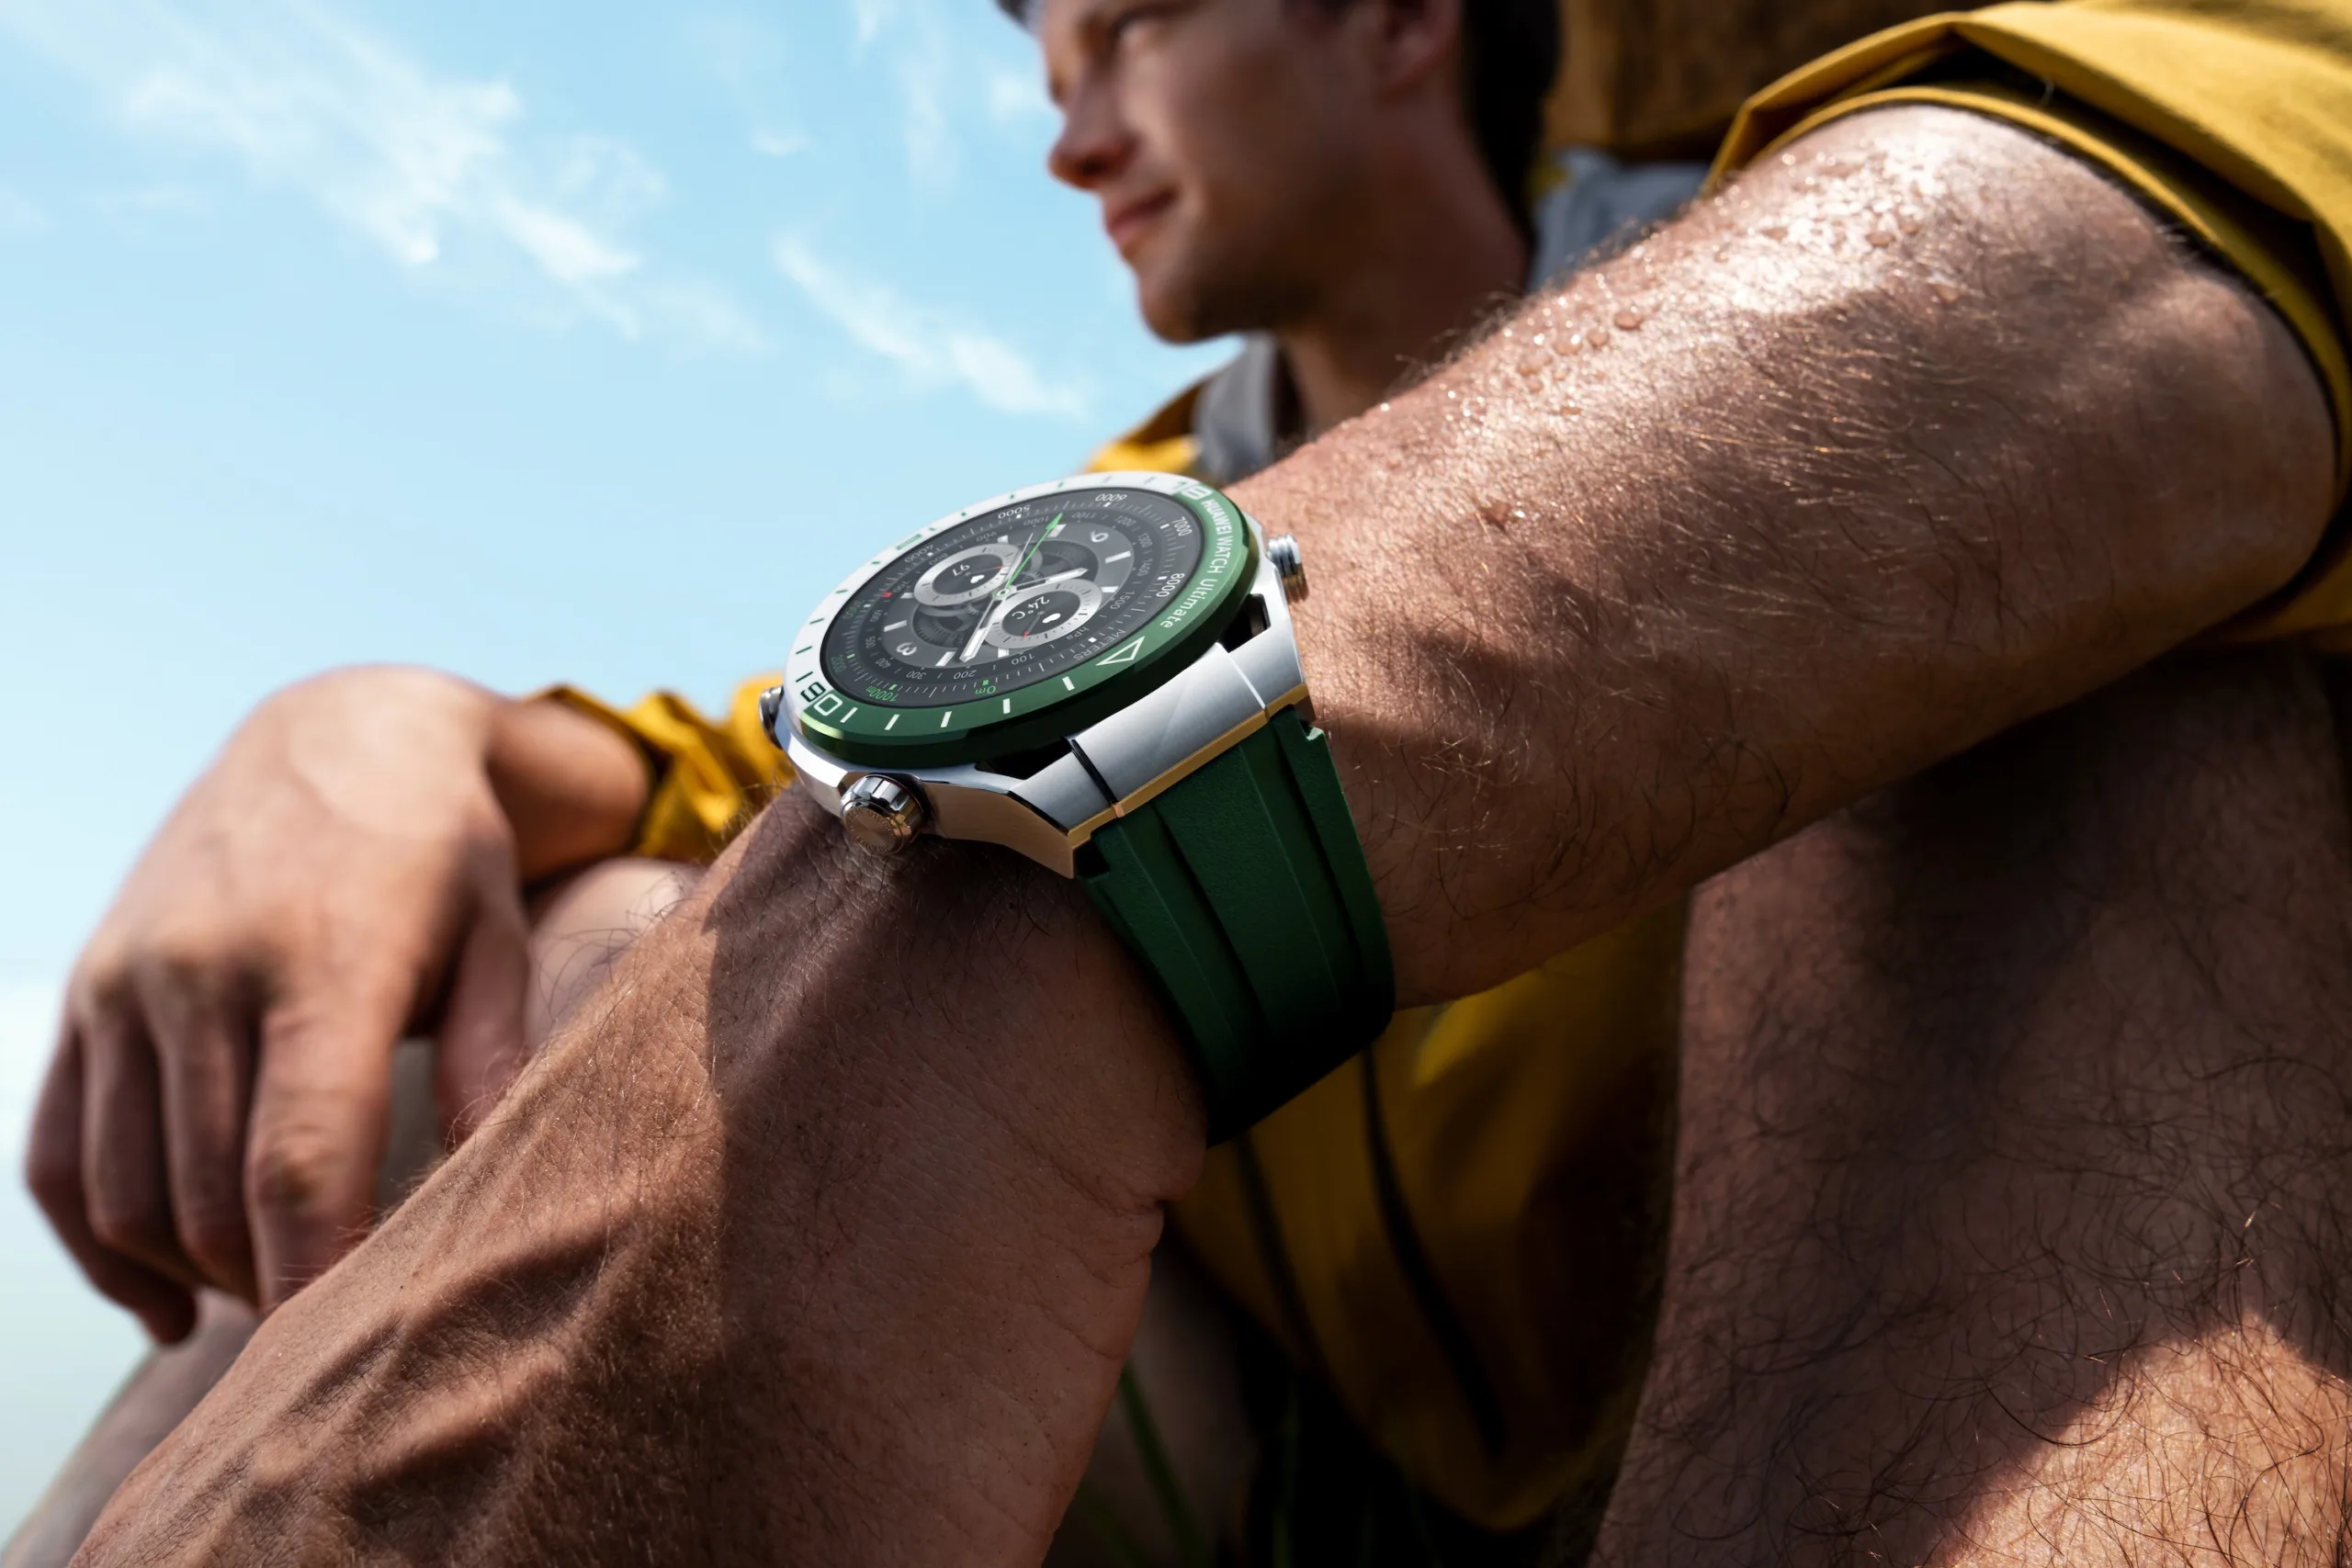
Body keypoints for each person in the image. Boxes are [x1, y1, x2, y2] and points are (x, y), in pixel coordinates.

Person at [31, 0, 2352, 1562]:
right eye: (1042, 55)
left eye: (1128, 22)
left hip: (1888, 1341)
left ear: (1395, 18)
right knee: (568, 954)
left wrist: (1044, 937)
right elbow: (731, 764)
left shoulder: (1864, 167)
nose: (1061, 127)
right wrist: (361, 723)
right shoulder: (1135, 513)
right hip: (1326, 1464)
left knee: (2044, 642)